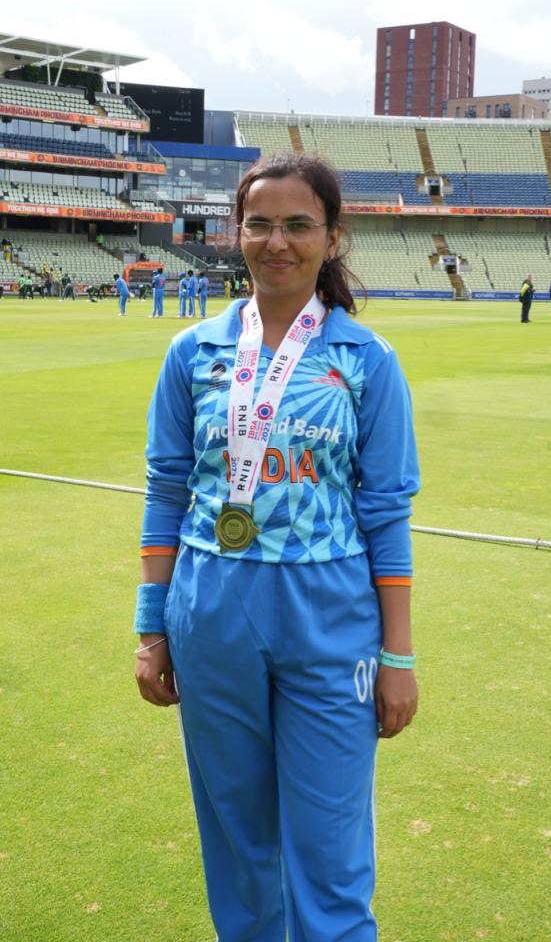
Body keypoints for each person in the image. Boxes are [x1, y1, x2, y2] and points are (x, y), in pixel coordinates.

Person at [134, 152, 420, 941]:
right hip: (212, 608)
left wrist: (398, 656)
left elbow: (386, 513)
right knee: (238, 839)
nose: (277, 242)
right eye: (259, 224)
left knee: (330, 855)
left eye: (298, 225)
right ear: (238, 232)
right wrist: (150, 627)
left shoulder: (364, 359)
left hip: (330, 616)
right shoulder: (193, 353)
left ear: (332, 238)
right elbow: (165, 493)